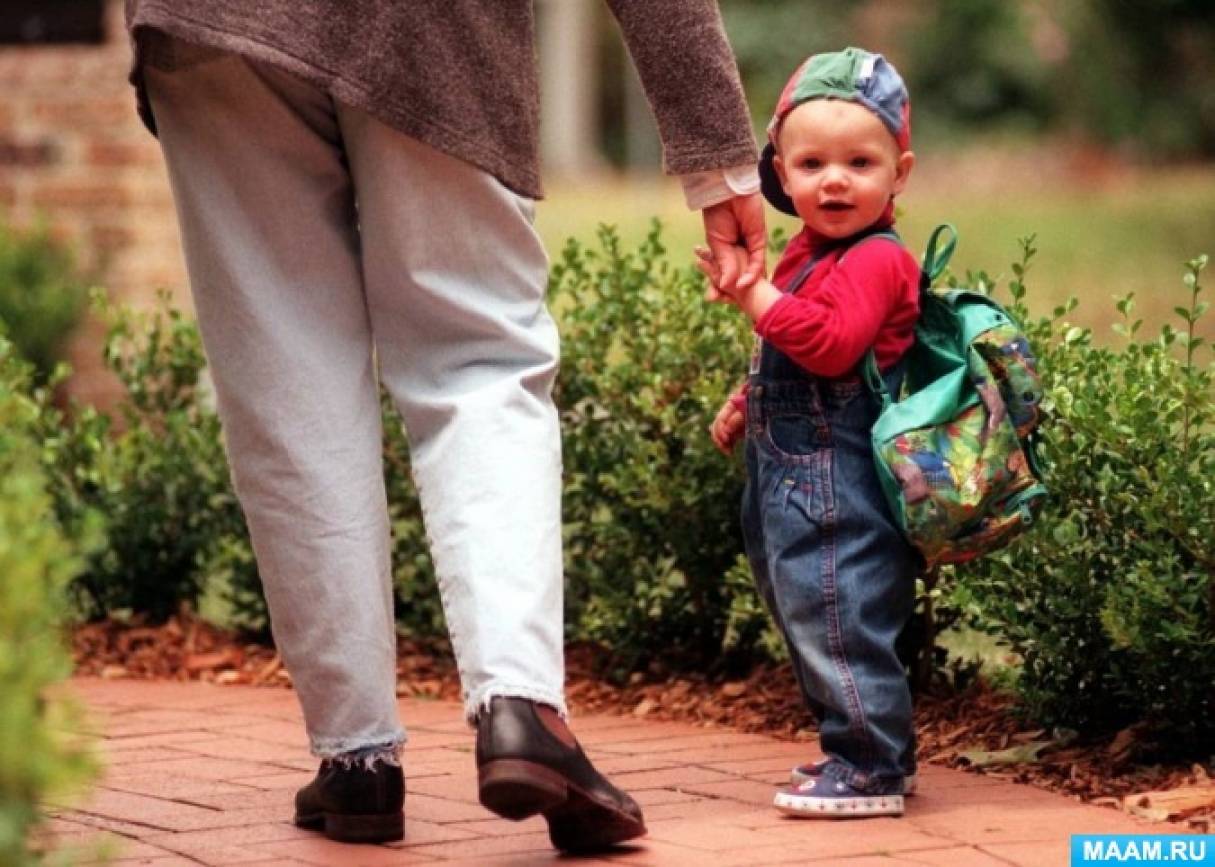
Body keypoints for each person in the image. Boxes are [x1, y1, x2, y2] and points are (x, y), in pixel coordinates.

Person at [121, 0, 765, 852]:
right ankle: (520, 707)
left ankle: (356, 761)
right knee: (478, 359)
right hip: (434, 30)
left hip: (219, 23)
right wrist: (716, 154)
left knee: (285, 379)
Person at [696, 47, 922, 818]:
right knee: (803, 598)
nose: (833, 179)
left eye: (860, 161)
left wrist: (753, 293)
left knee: (837, 599)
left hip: (838, 469)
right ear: (780, 175)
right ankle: (856, 742)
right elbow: (789, 347)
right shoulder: (811, 251)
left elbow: (828, 345)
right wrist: (745, 398)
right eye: (812, 161)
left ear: (900, 171)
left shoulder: (877, 259)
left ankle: (869, 764)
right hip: (790, 463)